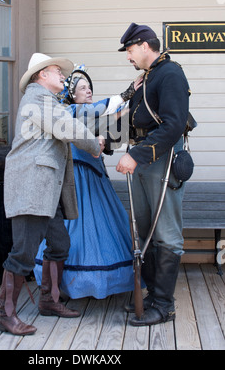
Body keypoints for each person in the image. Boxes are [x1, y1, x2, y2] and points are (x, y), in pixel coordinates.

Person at [0, 53, 102, 336]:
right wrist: (95, 144)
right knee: (23, 254)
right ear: (41, 75)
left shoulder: (47, 101)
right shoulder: (37, 99)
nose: (63, 76)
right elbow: (68, 128)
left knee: (59, 244)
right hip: (32, 188)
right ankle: (5, 315)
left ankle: (49, 301)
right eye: (57, 71)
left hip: (45, 191)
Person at [34, 66, 143, 299]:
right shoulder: (69, 111)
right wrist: (126, 94)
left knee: (105, 228)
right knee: (79, 230)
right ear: (72, 94)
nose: (89, 91)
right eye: (83, 88)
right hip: (77, 181)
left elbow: (114, 128)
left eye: (90, 87)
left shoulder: (92, 115)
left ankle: (107, 279)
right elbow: (95, 113)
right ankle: (67, 285)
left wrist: (129, 112)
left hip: (97, 180)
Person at [116, 23, 191, 326]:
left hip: (160, 160)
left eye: (130, 50)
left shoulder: (170, 73)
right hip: (144, 162)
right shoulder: (149, 77)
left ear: (145, 46)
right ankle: (152, 295)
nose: (128, 57)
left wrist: (136, 154)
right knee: (146, 232)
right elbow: (135, 121)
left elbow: (173, 125)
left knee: (167, 235)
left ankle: (164, 306)